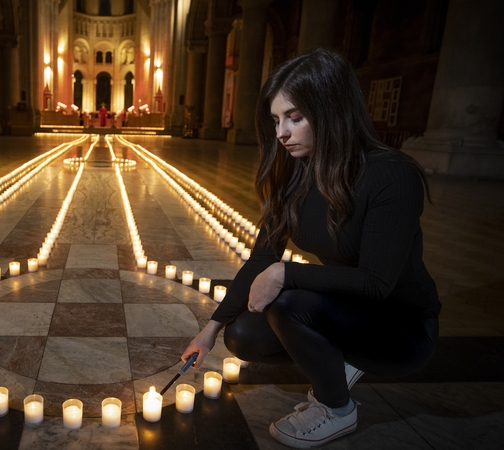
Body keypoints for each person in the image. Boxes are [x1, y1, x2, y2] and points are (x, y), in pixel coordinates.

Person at [181, 48, 440, 448]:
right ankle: (340, 359)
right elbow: (262, 258)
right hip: (347, 310)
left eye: (295, 118)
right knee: (244, 334)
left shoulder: (392, 175)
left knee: (286, 303)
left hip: (400, 328)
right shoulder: (296, 176)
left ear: (332, 110)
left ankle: (337, 408)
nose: (281, 133)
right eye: (276, 120)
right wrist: (209, 330)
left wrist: (287, 273)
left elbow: (376, 284)